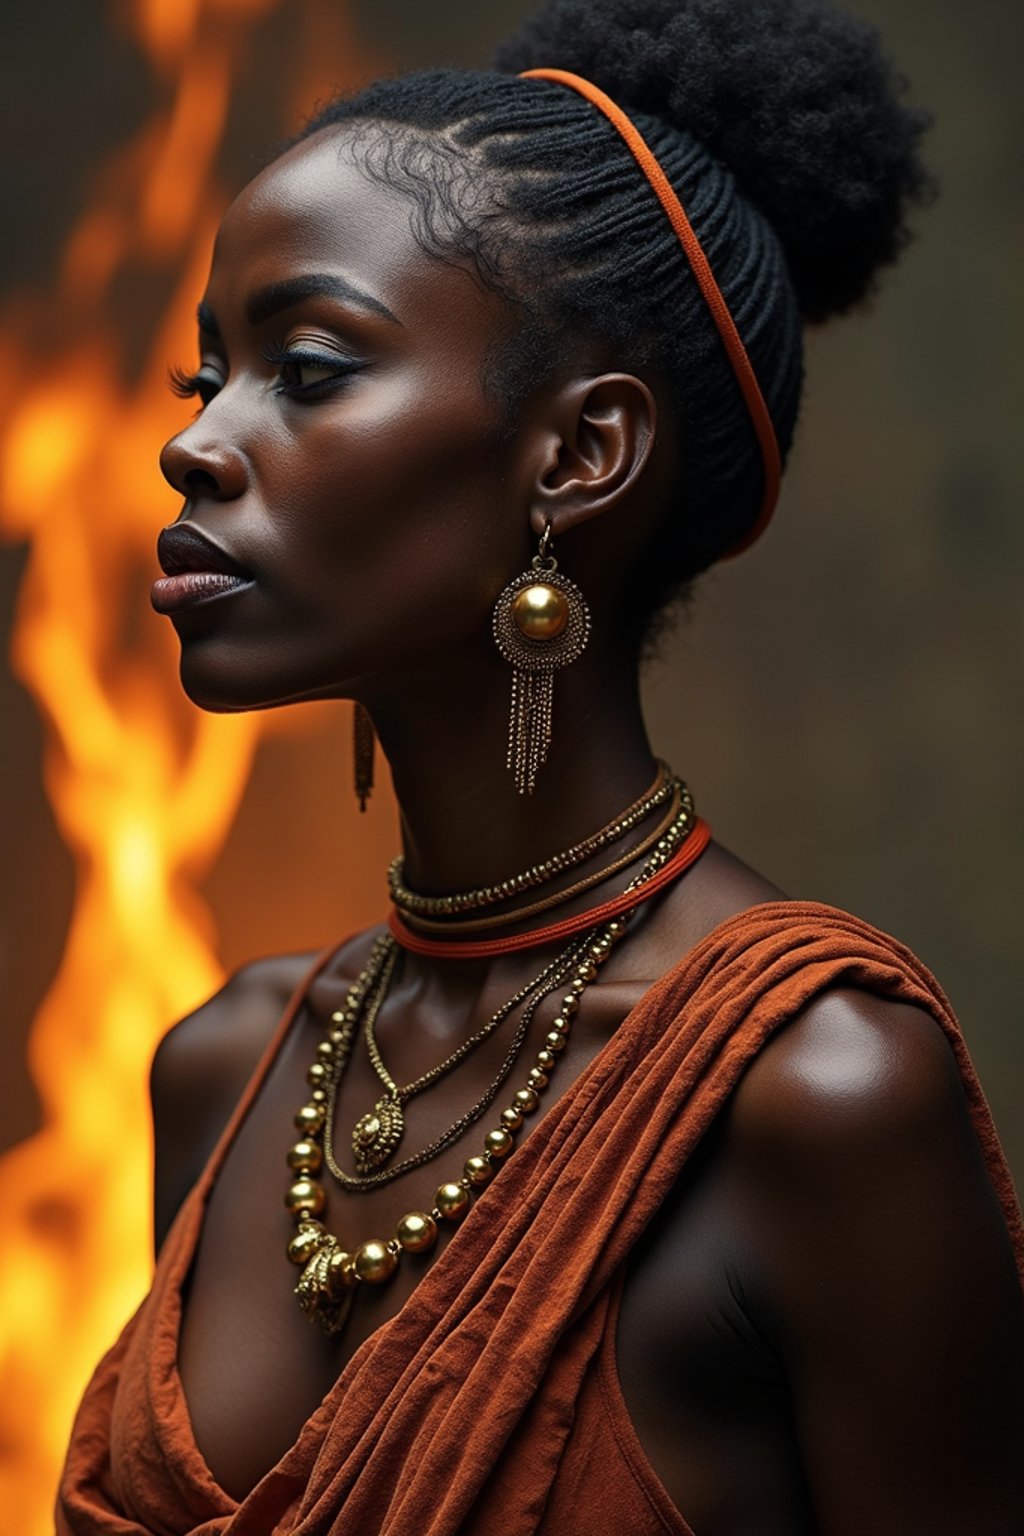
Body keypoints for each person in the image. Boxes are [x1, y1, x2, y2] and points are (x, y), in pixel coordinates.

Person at [57, 1, 1024, 1532]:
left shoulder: (816, 1092)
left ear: (580, 457)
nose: (196, 446)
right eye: (204, 381)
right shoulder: (227, 1070)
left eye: (307, 369)